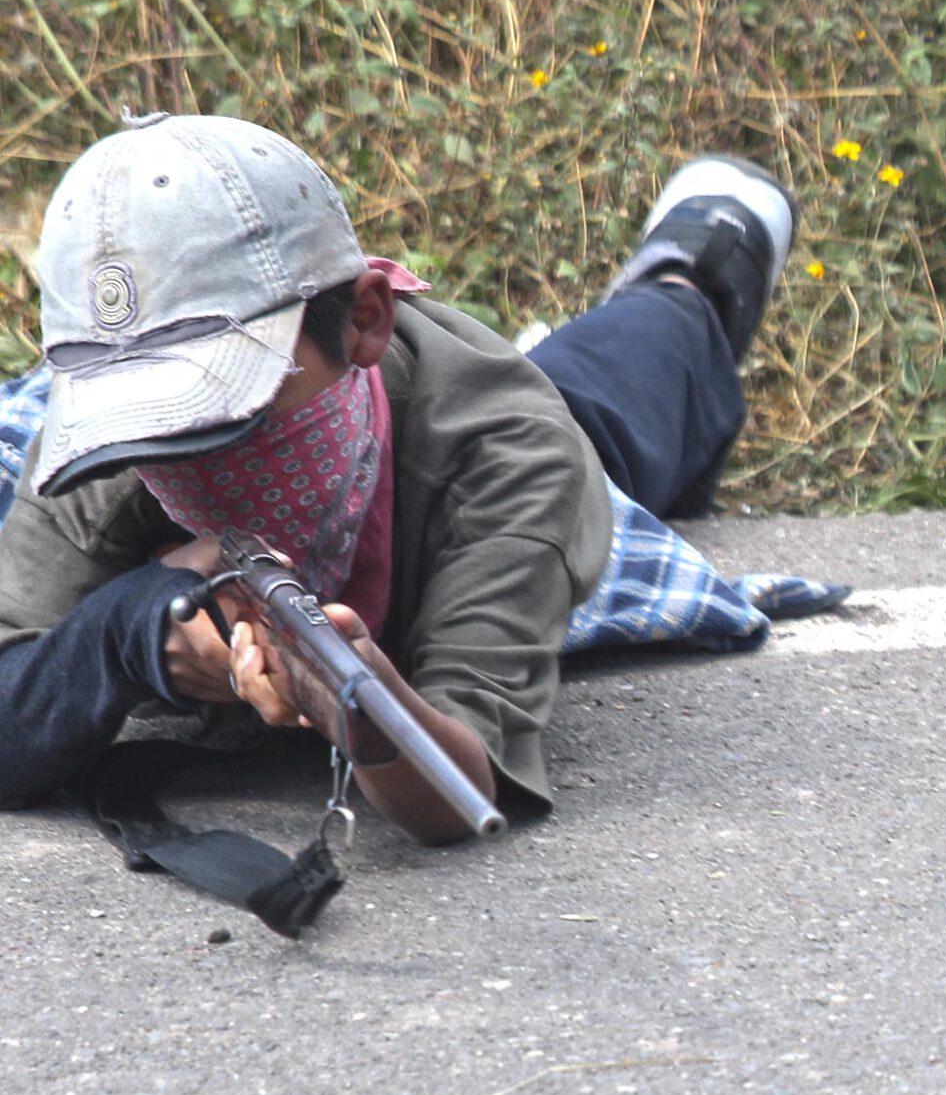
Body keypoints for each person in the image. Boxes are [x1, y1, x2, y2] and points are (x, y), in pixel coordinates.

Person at [0, 113, 801, 843]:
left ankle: (696, 264)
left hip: (466, 439)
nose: (188, 456)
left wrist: (357, 698)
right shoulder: (101, 439)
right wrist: (125, 636)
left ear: (365, 320)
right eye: (150, 419)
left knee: (611, 412)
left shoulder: (505, 453)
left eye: (231, 406)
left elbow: (459, 786)